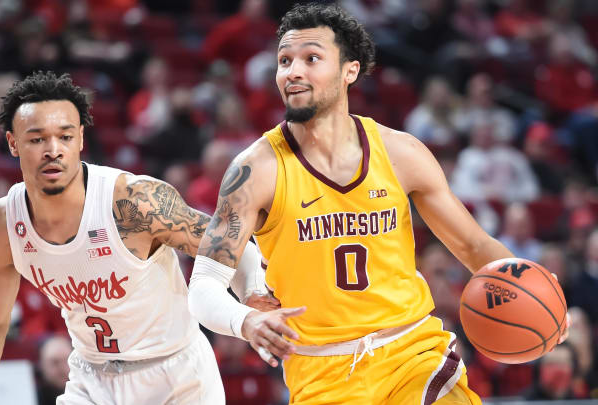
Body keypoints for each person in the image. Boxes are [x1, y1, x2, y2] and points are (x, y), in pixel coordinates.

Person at [187, 4, 570, 404]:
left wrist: (537, 295)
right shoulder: (254, 170)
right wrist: (245, 321)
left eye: (311, 58)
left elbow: (474, 247)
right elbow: (203, 287)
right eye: (284, 61)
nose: (292, 71)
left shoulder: (401, 152)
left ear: (350, 70)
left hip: (413, 354)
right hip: (321, 370)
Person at [0, 71, 275, 405]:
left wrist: (253, 291)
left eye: (64, 136)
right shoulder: (1, 224)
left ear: (80, 138)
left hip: (177, 375)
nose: (53, 150)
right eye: (37, 139)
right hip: (92, 376)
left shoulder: (133, 201)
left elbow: (230, 244)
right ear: (13, 143)